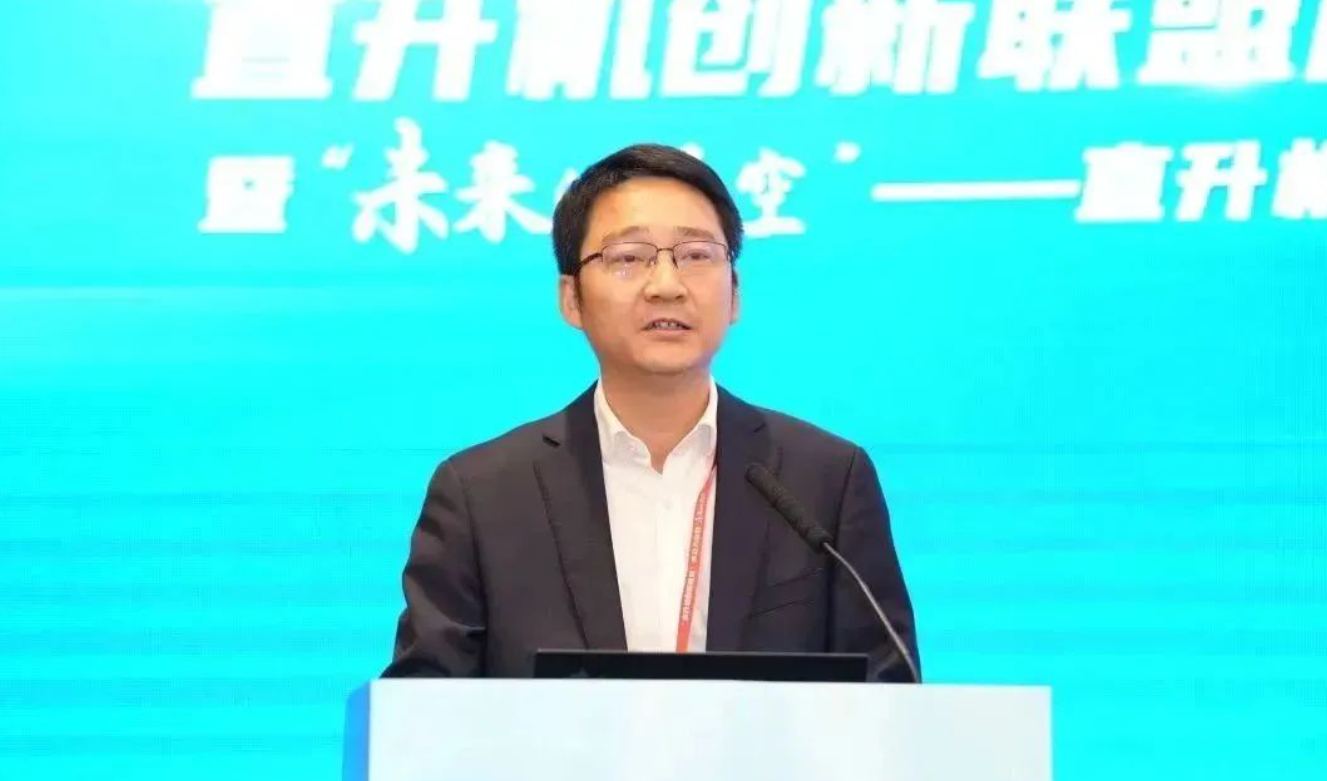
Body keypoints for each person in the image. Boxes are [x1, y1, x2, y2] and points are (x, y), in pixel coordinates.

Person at [383, 143, 920, 682]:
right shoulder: (483, 495)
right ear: (571, 298)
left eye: (697, 255)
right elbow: (423, 705)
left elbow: (889, 692)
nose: (666, 286)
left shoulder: (823, 480)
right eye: (628, 257)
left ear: (735, 293)